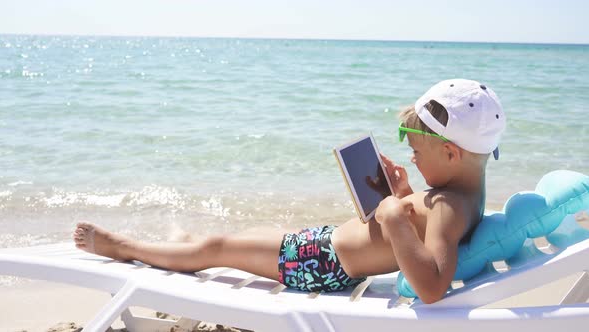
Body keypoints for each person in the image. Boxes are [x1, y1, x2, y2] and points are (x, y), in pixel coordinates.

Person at [73, 78, 506, 304]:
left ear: (451, 153)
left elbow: (431, 287)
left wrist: (393, 211)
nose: (412, 158)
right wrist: (406, 193)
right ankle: (178, 246)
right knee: (244, 238)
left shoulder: (450, 206)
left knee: (217, 246)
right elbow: (426, 233)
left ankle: (125, 247)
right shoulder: (462, 196)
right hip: (323, 252)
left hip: (321, 265)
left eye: (416, 151)